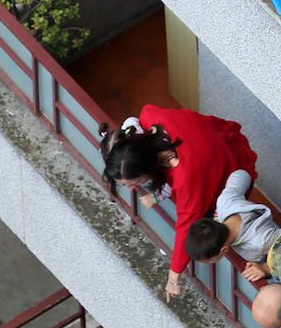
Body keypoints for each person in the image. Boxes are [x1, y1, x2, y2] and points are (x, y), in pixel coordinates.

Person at [99, 104, 257, 301]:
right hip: (223, 136)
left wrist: (173, 277)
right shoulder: (149, 116)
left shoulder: (186, 179)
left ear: (148, 168)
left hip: (232, 165)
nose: (132, 188)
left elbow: (186, 227)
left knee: (212, 226)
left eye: (133, 182)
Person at [183, 168, 280, 281]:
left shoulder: (260, 242)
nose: (206, 264)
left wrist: (266, 268)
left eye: (208, 261)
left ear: (224, 250)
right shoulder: (225, 203)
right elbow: (241, 174)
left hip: (274, 255)